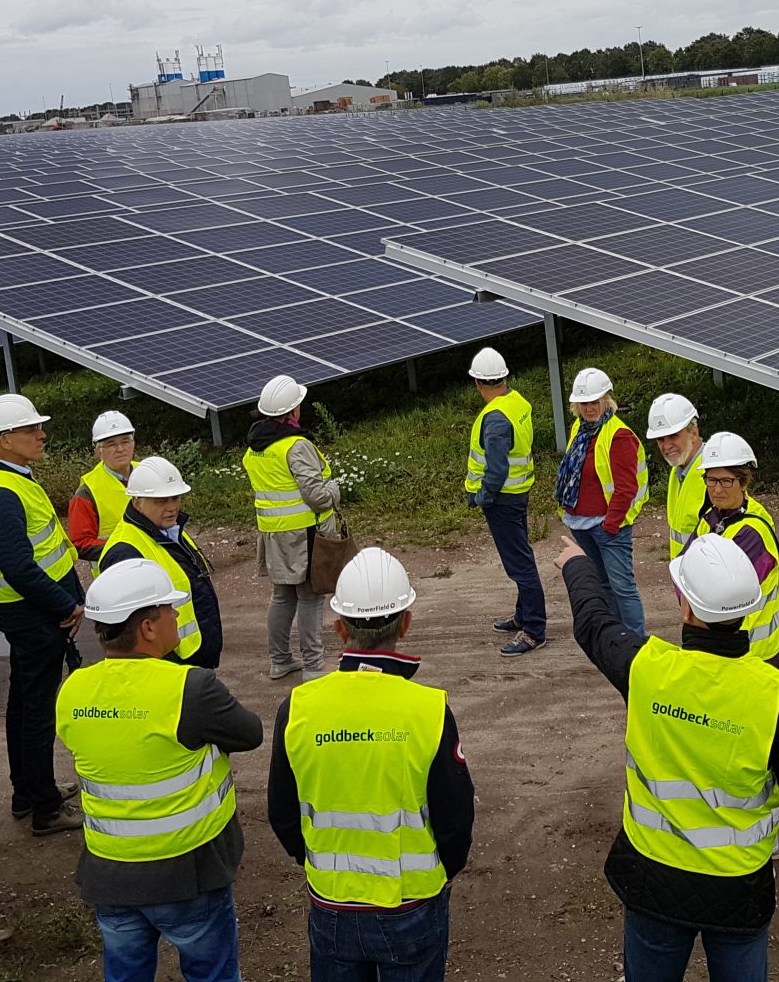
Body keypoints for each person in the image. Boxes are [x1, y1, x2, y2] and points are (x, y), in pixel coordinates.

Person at [554, 530, 779, 982]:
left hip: (653, 878)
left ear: (685, 603)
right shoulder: (775, 695)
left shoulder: (648, 667)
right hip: (738, 889)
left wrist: (577, 565)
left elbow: (594, 624)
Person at [268, 547, 474, 982]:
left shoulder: (299, 708)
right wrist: (439, 872)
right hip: (411, 905)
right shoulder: (429, 710)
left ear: (339, 628)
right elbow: (456, 819)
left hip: (332, 905)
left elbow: (282, 813)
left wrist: (318, 865)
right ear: (407, 622)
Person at [56, 559, 262, 982]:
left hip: (109, 874)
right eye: (171, 611)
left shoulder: (72, 687)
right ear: (148, 628)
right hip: (187, 874)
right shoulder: (190, 687)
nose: (177, 618)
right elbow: (250, 734)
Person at [0, 391, 84, 836]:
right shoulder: (0, 493)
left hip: (28, 615)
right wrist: (65, 603)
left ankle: (28, 791)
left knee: (24, 704)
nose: (42, 434)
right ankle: (45, 808)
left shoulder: (6, 478)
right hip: (34, 617)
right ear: (4, 439)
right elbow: (17, 567)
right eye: (31, 429)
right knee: (37, 713)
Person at [244, 374, 344, 681]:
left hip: (274, 535)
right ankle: (314, 665)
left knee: (282, 597)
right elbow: (316, 496)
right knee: (310, 598)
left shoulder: (255, 447)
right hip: (305, 534)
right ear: (294, 410)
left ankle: (280, 660)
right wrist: (335, 490)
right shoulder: (295, 446)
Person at [99, 457, 223, 668]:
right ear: (137, 502)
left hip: (193, 656)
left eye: (175, 498)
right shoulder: (126, 551)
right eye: (161, 501)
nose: (171, 507)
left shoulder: (167, 530)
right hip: (171, 663)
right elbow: (134, 631)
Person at [464, 347, 544, 656]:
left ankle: (534, 630)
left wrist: (482, 497)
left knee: (520, 565)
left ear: (478, 384)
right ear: (505, 378)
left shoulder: (495, 418)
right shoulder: (516, 402)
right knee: (522, 557)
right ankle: (524, 616)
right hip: (518, 493)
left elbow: (496, 471)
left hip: (503, 501)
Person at [556, 367, 648, 635]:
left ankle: (635, 641)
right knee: (603, 585)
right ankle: (617, 637)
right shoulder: (580, 428)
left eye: (594, 401)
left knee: (622, 587)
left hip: (608, 526)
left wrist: (610, 525)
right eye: (583, 403)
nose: (589, 408)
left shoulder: (618, 435)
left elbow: (626, 487)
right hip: (580, 523)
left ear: (606, 400)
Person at [689, 433, 779, 664]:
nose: (717, 489)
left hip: (753, 651)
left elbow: (723, 592)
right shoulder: (711, 518)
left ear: (743, 482)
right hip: (725, 644)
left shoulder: (754, 531)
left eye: (726, 481)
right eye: (711, 480)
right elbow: (683, 570)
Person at [69, 411, 137, 562]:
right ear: (98, 451)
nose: (120, 449)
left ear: (134, 444)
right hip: (115, 572)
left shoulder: (150, 473)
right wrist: (125, 550)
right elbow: (80, 544)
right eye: (111, 444)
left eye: (125, 441)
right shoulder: (86, 492)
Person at [645, 393, 705, 561]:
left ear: (693, 433)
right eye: (660, 439)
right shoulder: (678, 472)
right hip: (689, 576)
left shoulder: (714, 474)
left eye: (673, 436)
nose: (666, 445)